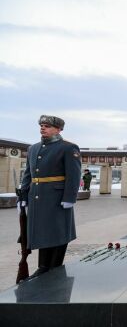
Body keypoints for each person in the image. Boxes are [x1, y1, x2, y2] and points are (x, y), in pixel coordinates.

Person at [19, 115, 81, 280]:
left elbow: (74, 175)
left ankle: (54, 267)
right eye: (41, 125)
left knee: (58, 232)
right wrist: (23, 195)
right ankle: (43, 267)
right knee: (42, 232)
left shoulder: (68, 148)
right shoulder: (33, 149)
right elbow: (28, 175)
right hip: (37, 199)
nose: (43, 128)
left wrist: (69, 197)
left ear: (59, 129)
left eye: (47, 126)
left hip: (57, 198)